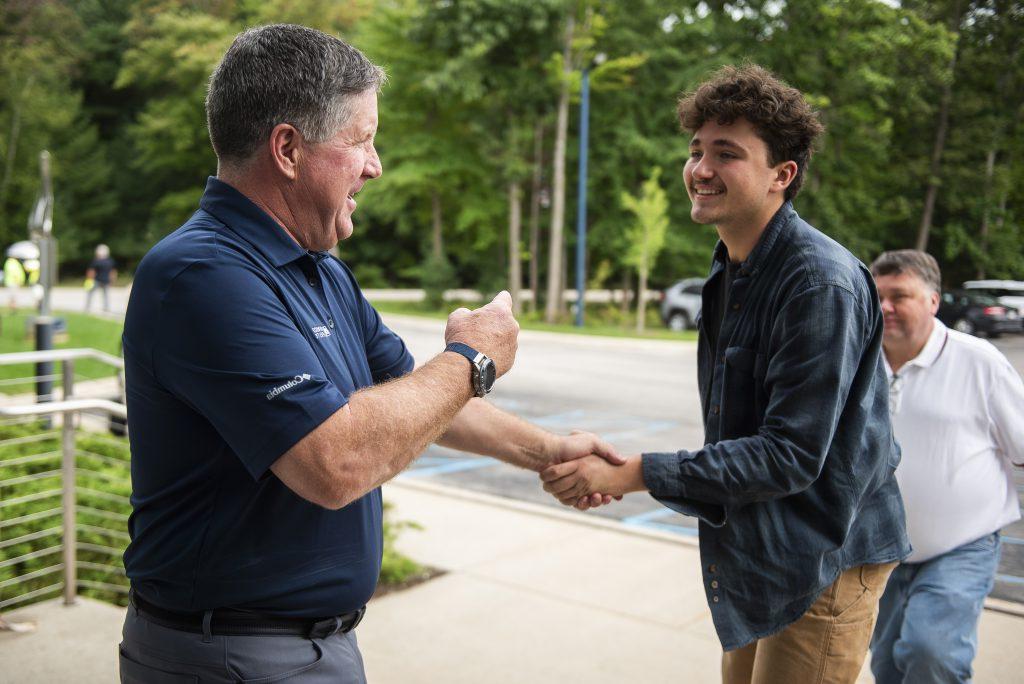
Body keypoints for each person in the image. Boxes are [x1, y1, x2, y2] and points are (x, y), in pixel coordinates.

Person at [119, 24, 620, 684]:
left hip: (317, 646)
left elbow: (416, 392)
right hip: (231, 655)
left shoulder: (321, 270)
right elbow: (340, 461)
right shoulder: (202, 277)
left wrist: (544, 452)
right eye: (361, 141)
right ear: (289, 150)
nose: (376, 165)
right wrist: (473, 358)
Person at [539, 64, 911, 683]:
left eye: (727, 153)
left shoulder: (818, 283)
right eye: (696, 150)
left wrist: (635, 473)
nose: (700, 169)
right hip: (762, 550)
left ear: (781, 175)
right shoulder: (731, 267)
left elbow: (789, 454)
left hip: (825, 557)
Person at [868, 250, 1024, 684]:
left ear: (934, 301)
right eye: (877, 296)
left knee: (931, 654)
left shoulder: (979, 361)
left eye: (900, 296)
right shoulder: (858, 364)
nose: (885, 307)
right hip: (883, 550)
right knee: (887, 666)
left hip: (961, 545)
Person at [84, 244, 117, 312]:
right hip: (106, 280)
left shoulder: (96, 261)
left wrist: (89, 279)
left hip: (96, 280)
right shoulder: (110, 261)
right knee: (106, 295)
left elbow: (91, 271)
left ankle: (87, 307)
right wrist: (113, 280)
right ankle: (106, 308)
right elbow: (113, 272)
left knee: (90, 293)